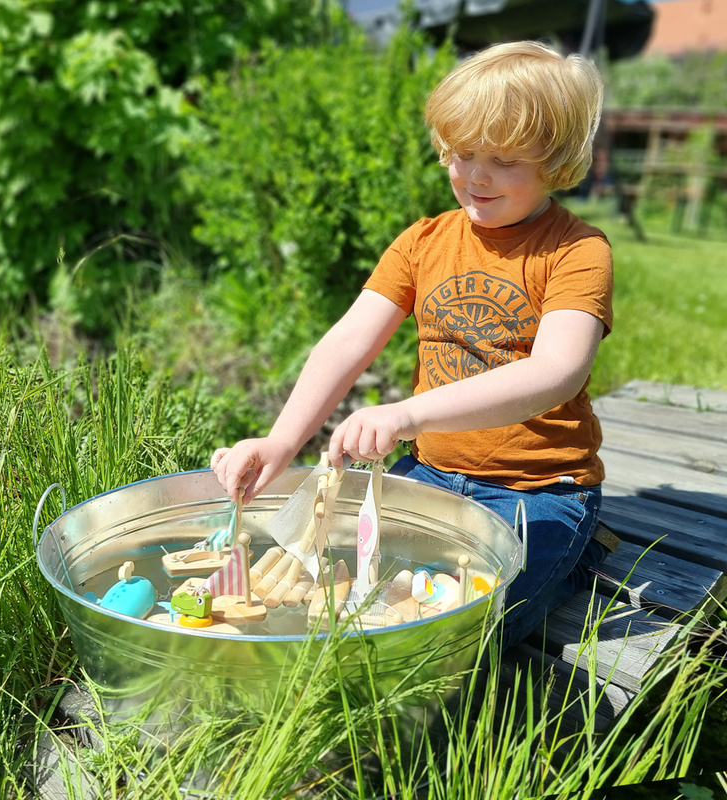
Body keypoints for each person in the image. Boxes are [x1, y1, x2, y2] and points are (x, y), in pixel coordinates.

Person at [211, 41, 614, 650]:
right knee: (351, 593)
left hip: (538, 490)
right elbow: (348, 340)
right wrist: (282, 439)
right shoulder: (425, 241)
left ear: (554, 161)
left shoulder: (576, 252)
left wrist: (407, 413)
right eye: (462, 153)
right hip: (430, 472)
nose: (476, 175)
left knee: (470, 627)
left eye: (503, 159)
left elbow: (555, 370)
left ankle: (572, 557)